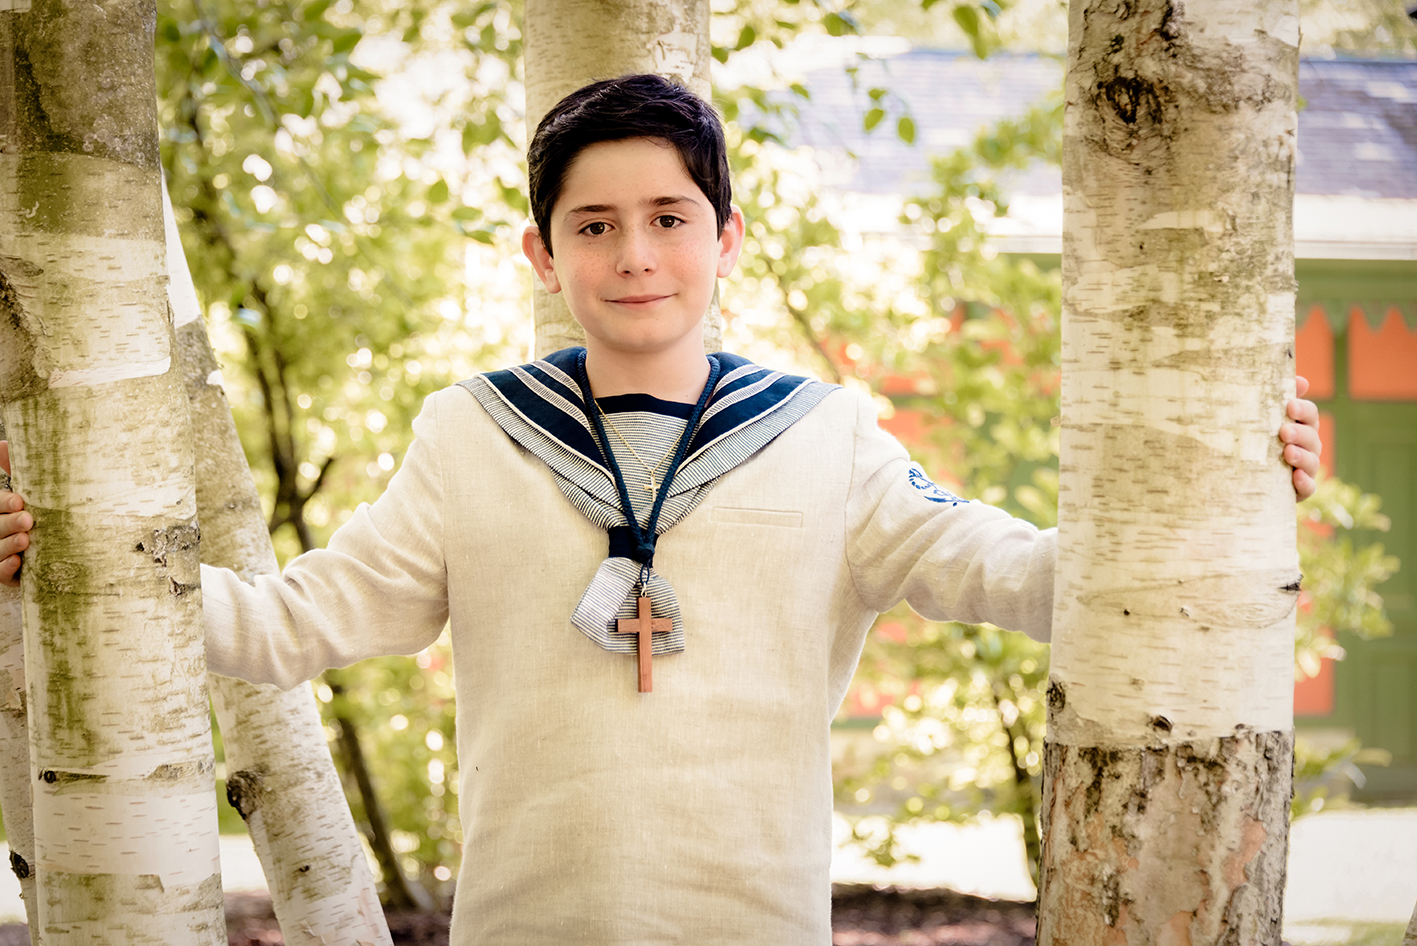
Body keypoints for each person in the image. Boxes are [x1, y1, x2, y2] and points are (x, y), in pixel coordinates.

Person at [0, 75, 1322, 943]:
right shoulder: (470, 431)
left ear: (727, 236)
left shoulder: (825, 435)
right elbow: (294, 620)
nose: (634, 254)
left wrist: (1228, 493)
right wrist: (67, 561)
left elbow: (1029, 577)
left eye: (668, 217)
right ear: (541, 252)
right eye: (592, 225)